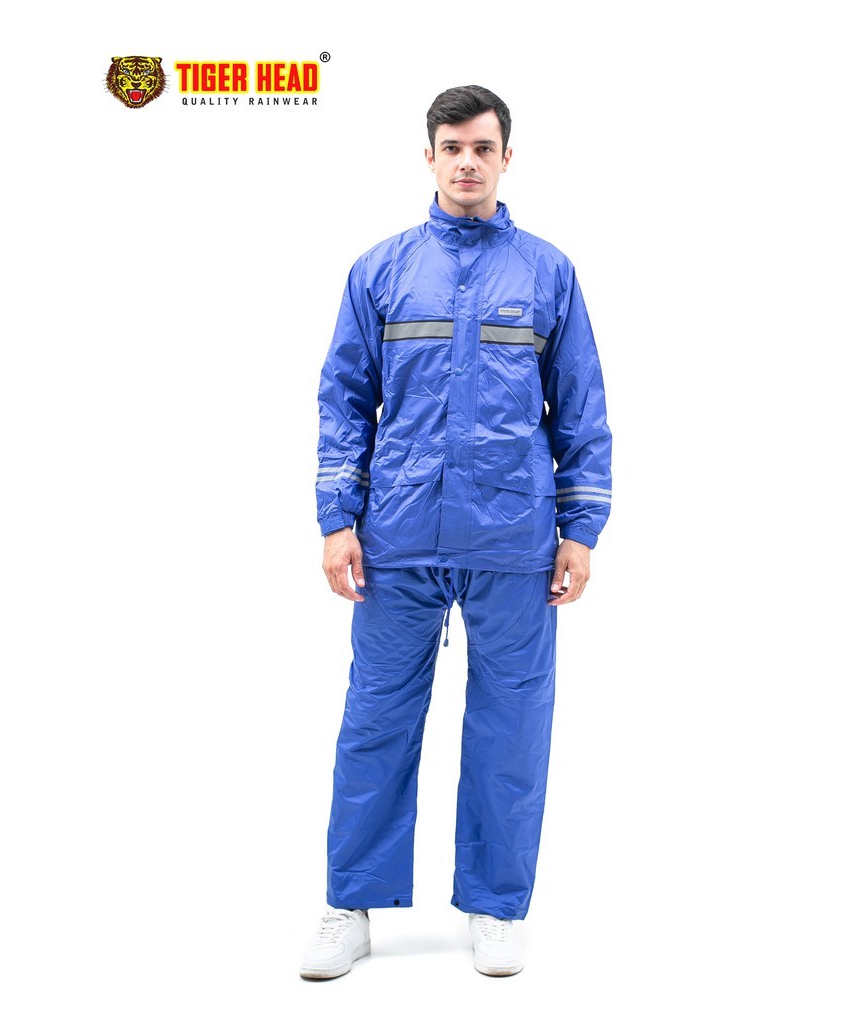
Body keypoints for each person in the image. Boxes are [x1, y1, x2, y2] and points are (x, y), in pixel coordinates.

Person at [301, 84, 612, 980]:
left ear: (507, 157)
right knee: (375, 721)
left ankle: (496, 906)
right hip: (397, 537)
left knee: (512, 726)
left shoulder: (548, 273)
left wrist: (581, 529)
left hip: (516, 536)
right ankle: (350, 904)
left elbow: (581, 408)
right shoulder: (380, 270)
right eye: (452, 147)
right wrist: (337, 519)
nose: (467, 161)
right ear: (429, 156)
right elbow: (343, 401)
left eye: (482, 147)